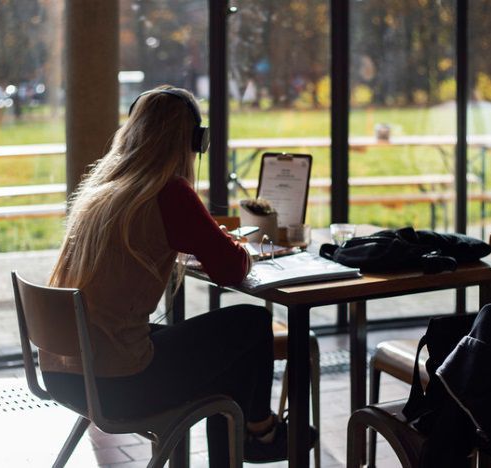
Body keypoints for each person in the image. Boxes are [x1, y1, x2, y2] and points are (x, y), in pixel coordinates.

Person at [42, 85, 301, 465]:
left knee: (227, 361)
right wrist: (239, 246)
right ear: (194, 141)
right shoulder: (169, 192)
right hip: (118, 382)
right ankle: (261, 431)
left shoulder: (102, 191)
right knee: (253, 322)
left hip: (66, 372)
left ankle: (255, 433)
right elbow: (231, 269)